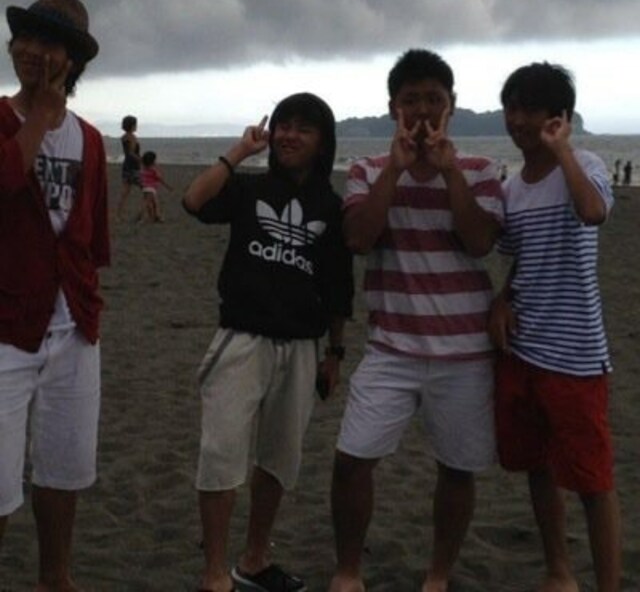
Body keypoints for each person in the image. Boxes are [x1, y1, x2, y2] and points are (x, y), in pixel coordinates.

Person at [328, 49, 504, 592]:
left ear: (452, 105)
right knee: (352, 460)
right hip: (391, 348)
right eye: (411, 101)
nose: (423, 112)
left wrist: (448, 171)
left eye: (434, 100)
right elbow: (359, 238)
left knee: (457, 468)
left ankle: (438, 575)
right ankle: (348, 571)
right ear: (393, 108)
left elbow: (479, 242)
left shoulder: (479, 169)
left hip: (465, 352)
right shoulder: (368, 170)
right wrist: (396, 170)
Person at [183, 92, 354, 592]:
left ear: (323, 142)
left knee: (279, 459)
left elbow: (338, 287)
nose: (288, 136)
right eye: (283, 125)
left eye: (303, 128)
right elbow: (194, 201)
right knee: (220, 454)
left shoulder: (331, 207)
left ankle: (255, 560)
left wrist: (335, 353)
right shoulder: (250, 189)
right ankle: (215, 573)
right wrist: (239, 151)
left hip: (302, 346)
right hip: (241, 338)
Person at [489, 62, 621, 592]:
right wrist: (502, 299)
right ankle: (559, 571)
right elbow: (521, 259)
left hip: (577, 357)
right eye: (511, 108)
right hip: (522, 351)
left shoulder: (585, 164)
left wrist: (562, 151)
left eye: (530, 109)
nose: (518, 120)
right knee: (538, 466)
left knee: (593, 481)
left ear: (558, 116)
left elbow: (592, 213)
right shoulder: (510, 190)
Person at [0, 0, 109, 590]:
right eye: (25, 36)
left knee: (64, 470)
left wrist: (86, 303)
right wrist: (39, 116)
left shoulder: (90, 140)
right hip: (6, 326)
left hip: (74, 327)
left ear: (73, 60)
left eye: (49, 42)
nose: (32, 50)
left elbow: (91, 236)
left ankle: (56, 579)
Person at [115, 113, 141, 220]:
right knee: (147, 189)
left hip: (126, 165)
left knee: (125, 192)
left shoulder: (123, 137)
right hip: (134, 167)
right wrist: (142, 160)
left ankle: (118, 215)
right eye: (135, 124)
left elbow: (128, 152)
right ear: (132, 125)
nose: (136, 126)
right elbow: (131, 153)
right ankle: (148, 214)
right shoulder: (132, 137)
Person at [139, 150, 172, 222]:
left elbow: (141, 178)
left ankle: (154, 216)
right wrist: (168, 186)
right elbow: (159, 178)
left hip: (145, 188)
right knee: (151, 203)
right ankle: (148, 216)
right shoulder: (153, 170)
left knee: (151, 202)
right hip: (151, 188)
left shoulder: (143, 169)